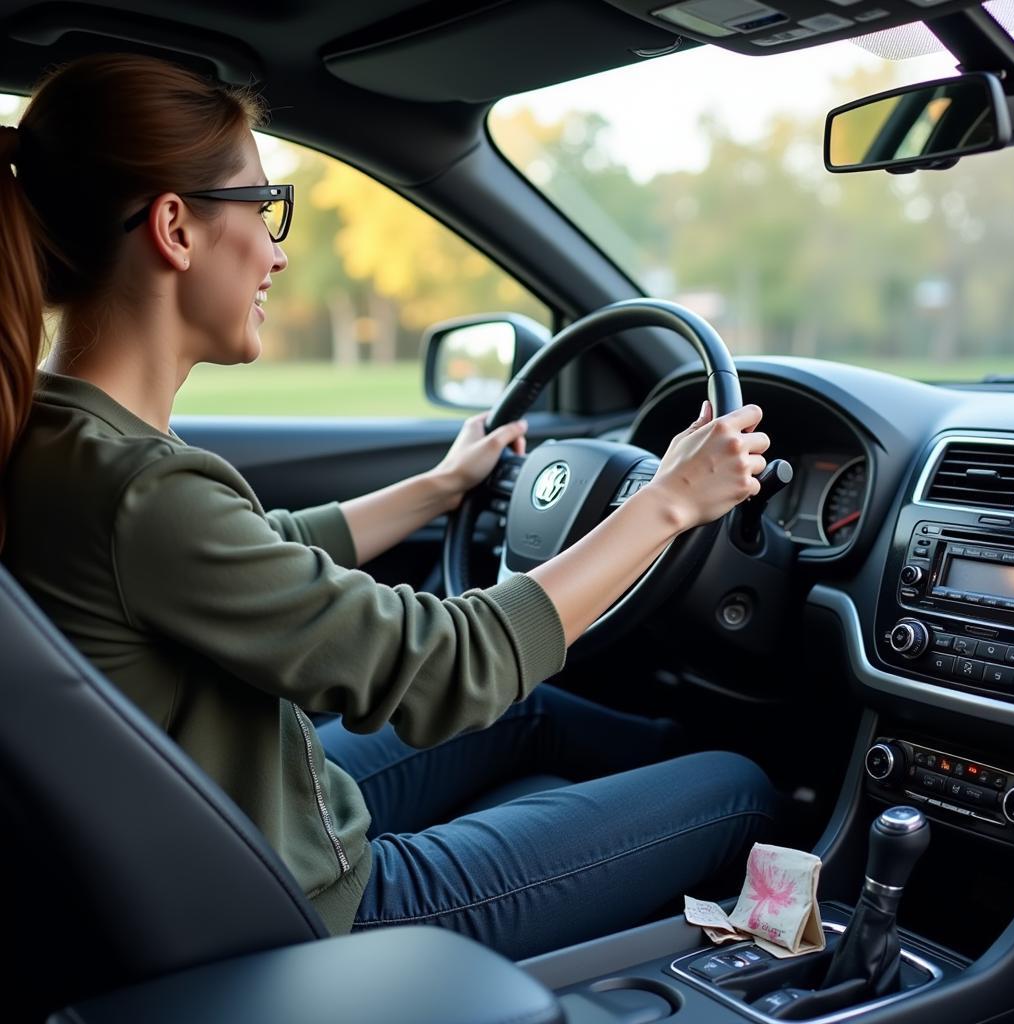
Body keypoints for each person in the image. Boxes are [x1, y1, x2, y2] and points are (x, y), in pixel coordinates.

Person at [0, 54, 777, 960]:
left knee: (535, 716)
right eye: (266, 206)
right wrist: (668, 504)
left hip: (234, 831)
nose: (278, 250)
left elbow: (259, 555)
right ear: (174, 226)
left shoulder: (53, 438)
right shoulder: (145, 490)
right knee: (742, 783)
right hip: (308, 907)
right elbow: (450, 668)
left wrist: (441, 488)